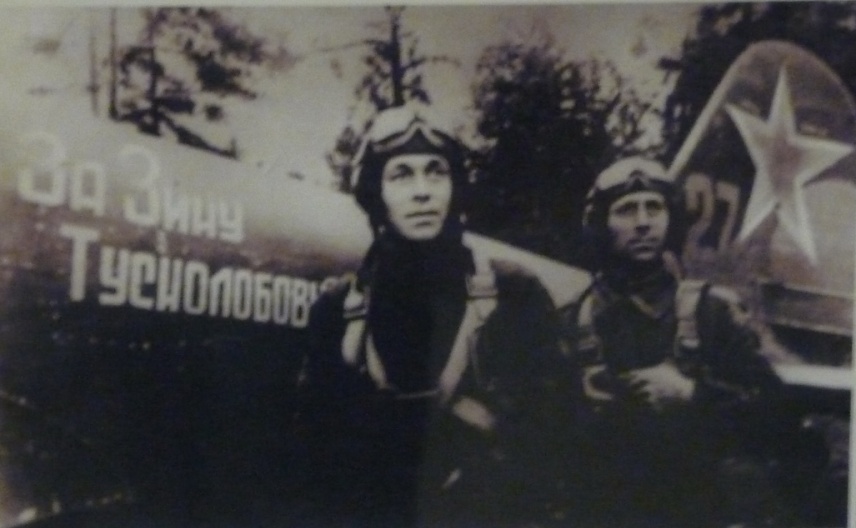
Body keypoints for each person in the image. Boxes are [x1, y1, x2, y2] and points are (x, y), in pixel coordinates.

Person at [296, 105, 575, 528]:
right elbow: (313, 461)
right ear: (376, 193)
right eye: (401, 175)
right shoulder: (339, 310)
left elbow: (560, 437)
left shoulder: (513, 293)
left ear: (454, 187)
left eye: (436, 172)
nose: (422, 191)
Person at [558, 156, 788, 528]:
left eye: (654, 207)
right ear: (600, 225)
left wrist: (693, 394)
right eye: (626, 210)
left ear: (671, 220)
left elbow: (778, 416)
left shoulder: (711, 314)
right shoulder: (573, 321)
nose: (643, 222)